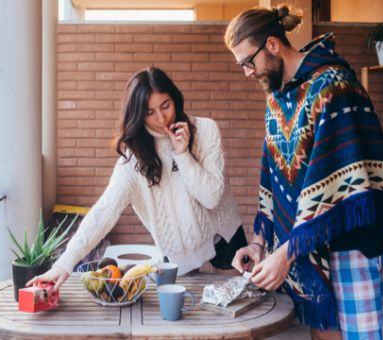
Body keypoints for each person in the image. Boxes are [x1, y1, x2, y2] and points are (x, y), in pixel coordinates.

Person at [224, 5, 383, 339]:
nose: (248, 71)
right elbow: (273, 175)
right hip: (316, 248)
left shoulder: (334, 87)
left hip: (359, 243)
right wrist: (260, 243)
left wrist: (286, 253)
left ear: (273, 45)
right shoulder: (278, 99)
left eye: (249, 61)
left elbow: (350, 181)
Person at [29, 66, 245, 292]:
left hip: (227, 243)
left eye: (165, 106)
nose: (162, 118)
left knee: (239, 318)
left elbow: (210, 197)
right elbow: (103, 212)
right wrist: (64, 263)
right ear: (138, 114)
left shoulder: (204, 130)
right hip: (180, 262)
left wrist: (183, 154)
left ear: (175, 99)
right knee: (191, 323)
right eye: (150, 112)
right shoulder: (133, 161)